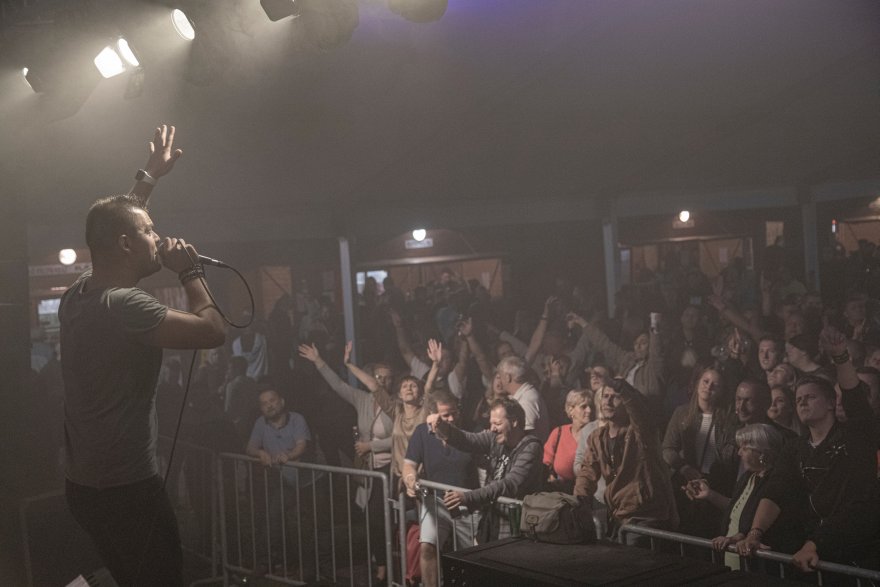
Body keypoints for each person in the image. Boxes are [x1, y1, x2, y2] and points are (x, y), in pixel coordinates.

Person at [61, 125, 225, 586]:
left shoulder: (79, 294)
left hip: (84, 486)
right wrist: (190, 271)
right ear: (126, 245)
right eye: (150, 232)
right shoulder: (125, 305)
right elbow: (213, 331)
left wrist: (148, 178)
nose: (159, 237)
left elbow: (114, 225)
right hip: (126, 488)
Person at [743, 326, 880, 574]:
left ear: (831, 403)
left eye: (810, 397)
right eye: (798, 399)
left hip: (854, 552)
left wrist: (840, 356)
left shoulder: (856, 438)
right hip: (807, 552)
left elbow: (855, 399)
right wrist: (755, 533)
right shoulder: (794, 448)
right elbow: (776, 491)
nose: (802, 402)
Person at [297, 341, 393, 582]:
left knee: (380, 518)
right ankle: (380, 561)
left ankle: (385, 567)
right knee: (370, 518)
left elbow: (401, 438)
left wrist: (371, 446)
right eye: (379, 377)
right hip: (368, 468)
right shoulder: (362, 399)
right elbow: (337, 385)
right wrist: (319, 361)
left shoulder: (396, 405)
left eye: (388, 378)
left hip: (390, 469)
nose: (383, 381)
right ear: (370, 378)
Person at [574, 378, 679, 546]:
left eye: (615, 397)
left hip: (645, 517)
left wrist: (624, 390)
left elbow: (641, 415)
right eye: (605, 396)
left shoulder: (641, 434)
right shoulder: (598, 437)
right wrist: (580, 500)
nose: (608, 401)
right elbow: (587, 471)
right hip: (617, 515)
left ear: (626, 402)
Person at [427, 398, 544, 542]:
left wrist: (468, 497)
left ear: (514, 422)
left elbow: (509, 484)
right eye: (491, 423)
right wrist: (443, 426)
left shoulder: (531, 447)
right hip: (491, 519)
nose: (492, 428)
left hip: (516, 523)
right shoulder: (495, 438)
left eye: (498, 424)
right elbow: (467, 440)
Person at [688, 424, 803, 571]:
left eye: (744, 448)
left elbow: (765, 522)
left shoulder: (774, 482)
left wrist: (735, 538)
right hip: (735, 554)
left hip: (756, 563)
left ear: (762, 453)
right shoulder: (748, 477)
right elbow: (737, 508)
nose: (739, 453)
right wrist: (709, 494)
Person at [403, 390, 479, 587]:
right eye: (445, 415)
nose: (451, 419)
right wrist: (410, 480)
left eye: (454, 413)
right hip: (435, 501)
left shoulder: (469, 431)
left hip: (466, 503)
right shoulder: (422, 432)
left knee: (471, 556)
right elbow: (409, 465)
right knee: (427, 547)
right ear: (432, 415)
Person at [543, 389, 592, 493]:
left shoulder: (594, 435)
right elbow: (546, 463)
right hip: (558, 491)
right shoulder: (558, 432)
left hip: (584, 492)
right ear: (571, 410)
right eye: (583, 406)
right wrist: (551, 477)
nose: (589, 410)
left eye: (590, 406)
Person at [494, 355, 549, 442]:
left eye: (500, 377)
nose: (499, 381)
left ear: (508, 377)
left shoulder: (527, 399)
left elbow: (527, 435)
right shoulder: (521, 396)